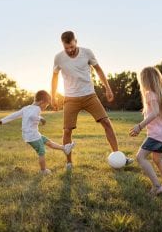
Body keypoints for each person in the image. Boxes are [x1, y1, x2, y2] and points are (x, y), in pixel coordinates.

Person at [51, 30, 133, 171]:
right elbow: (54, 77)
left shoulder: (87, 52)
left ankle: (119, 156)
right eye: (67, 48)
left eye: (72, 46)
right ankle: (69, 162)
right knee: (67, 131)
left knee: (106, 123)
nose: (70, 50)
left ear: (76, 41)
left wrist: (107, 88)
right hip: (70, 98)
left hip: (89, 95)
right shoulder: (58, 58)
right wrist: (53, 96)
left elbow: (98, 70)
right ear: (62, 45)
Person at [0, 90, 75, 174]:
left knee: (48, 142)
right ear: (41, 102)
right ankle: (43, 170)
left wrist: (2, 120)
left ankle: (65, 148)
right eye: (46, 104)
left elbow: (14, 115)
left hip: (31, 135)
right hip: (32, 136)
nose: (46, 107)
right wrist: (40, 118)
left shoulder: (26, 108)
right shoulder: (37, 108)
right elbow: (32, 116)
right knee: (41, 152)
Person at [129, 67, 162, 196]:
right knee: (157, 159)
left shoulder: (150, 94)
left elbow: (154, 113)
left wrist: (140, 126)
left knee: (140, 157)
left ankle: (157, 186)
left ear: (145, 81)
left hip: (157, 134)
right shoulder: (158, 94)